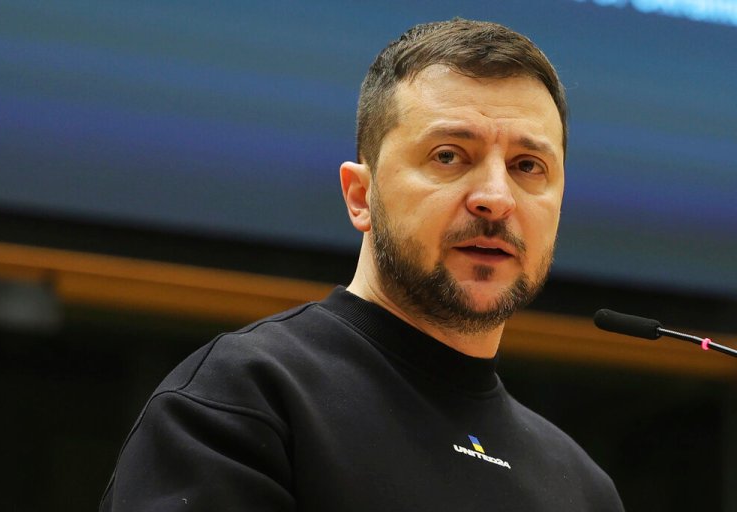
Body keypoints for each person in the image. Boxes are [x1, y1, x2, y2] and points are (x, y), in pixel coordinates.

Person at [100, 18, 624, 511]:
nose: (494, 197)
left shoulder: (584, 488)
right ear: (360, 196)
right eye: (449, 155)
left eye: (527, 166)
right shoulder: (245, 398)